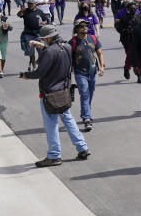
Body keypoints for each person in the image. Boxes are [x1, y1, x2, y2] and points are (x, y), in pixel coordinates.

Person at [19, 24, 90, 167]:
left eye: (45, 39)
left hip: (50, 93)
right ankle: (82, 147)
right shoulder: (67, 47)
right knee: (68, 119)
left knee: (51, 124)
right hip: (63, 91)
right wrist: (42, 46)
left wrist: (26, 75)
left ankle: (54, 155)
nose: (44, 41)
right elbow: (55, 51)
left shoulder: (49, 52)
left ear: (50, 37)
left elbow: (40, 72)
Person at [116, 0, 140, 81]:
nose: (134, 9)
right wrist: (126, 30)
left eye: (135, 8)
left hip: (137, 39)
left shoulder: (138, 17)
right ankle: (127, 69)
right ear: (128, 9)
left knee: (138, 56)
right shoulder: (123, 18)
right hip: (127, 39)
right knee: (130, 55)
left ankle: (139, 75)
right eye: (132, 8)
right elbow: (118, 26)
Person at [19, 0, 46, 71]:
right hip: (28, 35)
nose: (30, 5)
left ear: (35, 4)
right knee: (31, 53)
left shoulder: (40, 12)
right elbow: (19, 15)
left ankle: (41, 67)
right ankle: (34, 67)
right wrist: (21, 11)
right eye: (28, 4)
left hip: (38, 35)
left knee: (41, 52)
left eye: (31, 4)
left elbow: (46, 20)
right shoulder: (25, 11)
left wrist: (44, 22)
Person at [0, 12, 12, 78]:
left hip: (3, 41)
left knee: (3, 57)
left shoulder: (4, 19)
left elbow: (11, 28)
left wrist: (7, 26)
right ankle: (0, 71)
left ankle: (1, 70)